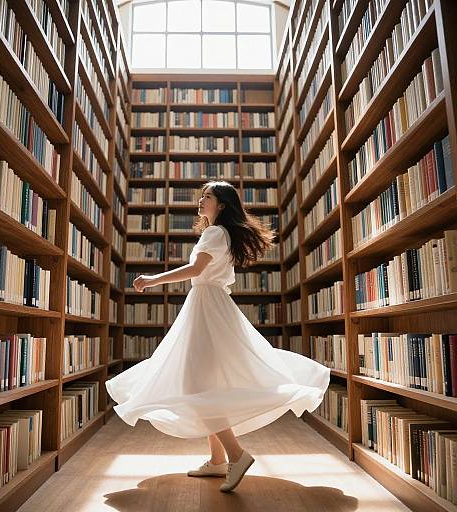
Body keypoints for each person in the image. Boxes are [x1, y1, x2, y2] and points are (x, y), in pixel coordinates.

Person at [105, 180, 331, 492]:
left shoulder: (214, 233)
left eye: (207, 197)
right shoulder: (219, 233)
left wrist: (154, 279)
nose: (200, 201)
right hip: (210, 305)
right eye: (201, 196)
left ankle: (235, 455)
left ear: (221, 205)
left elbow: (196, 269)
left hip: (207, 307)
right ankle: (217, 460)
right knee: (206, 383)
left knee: (198, 384)